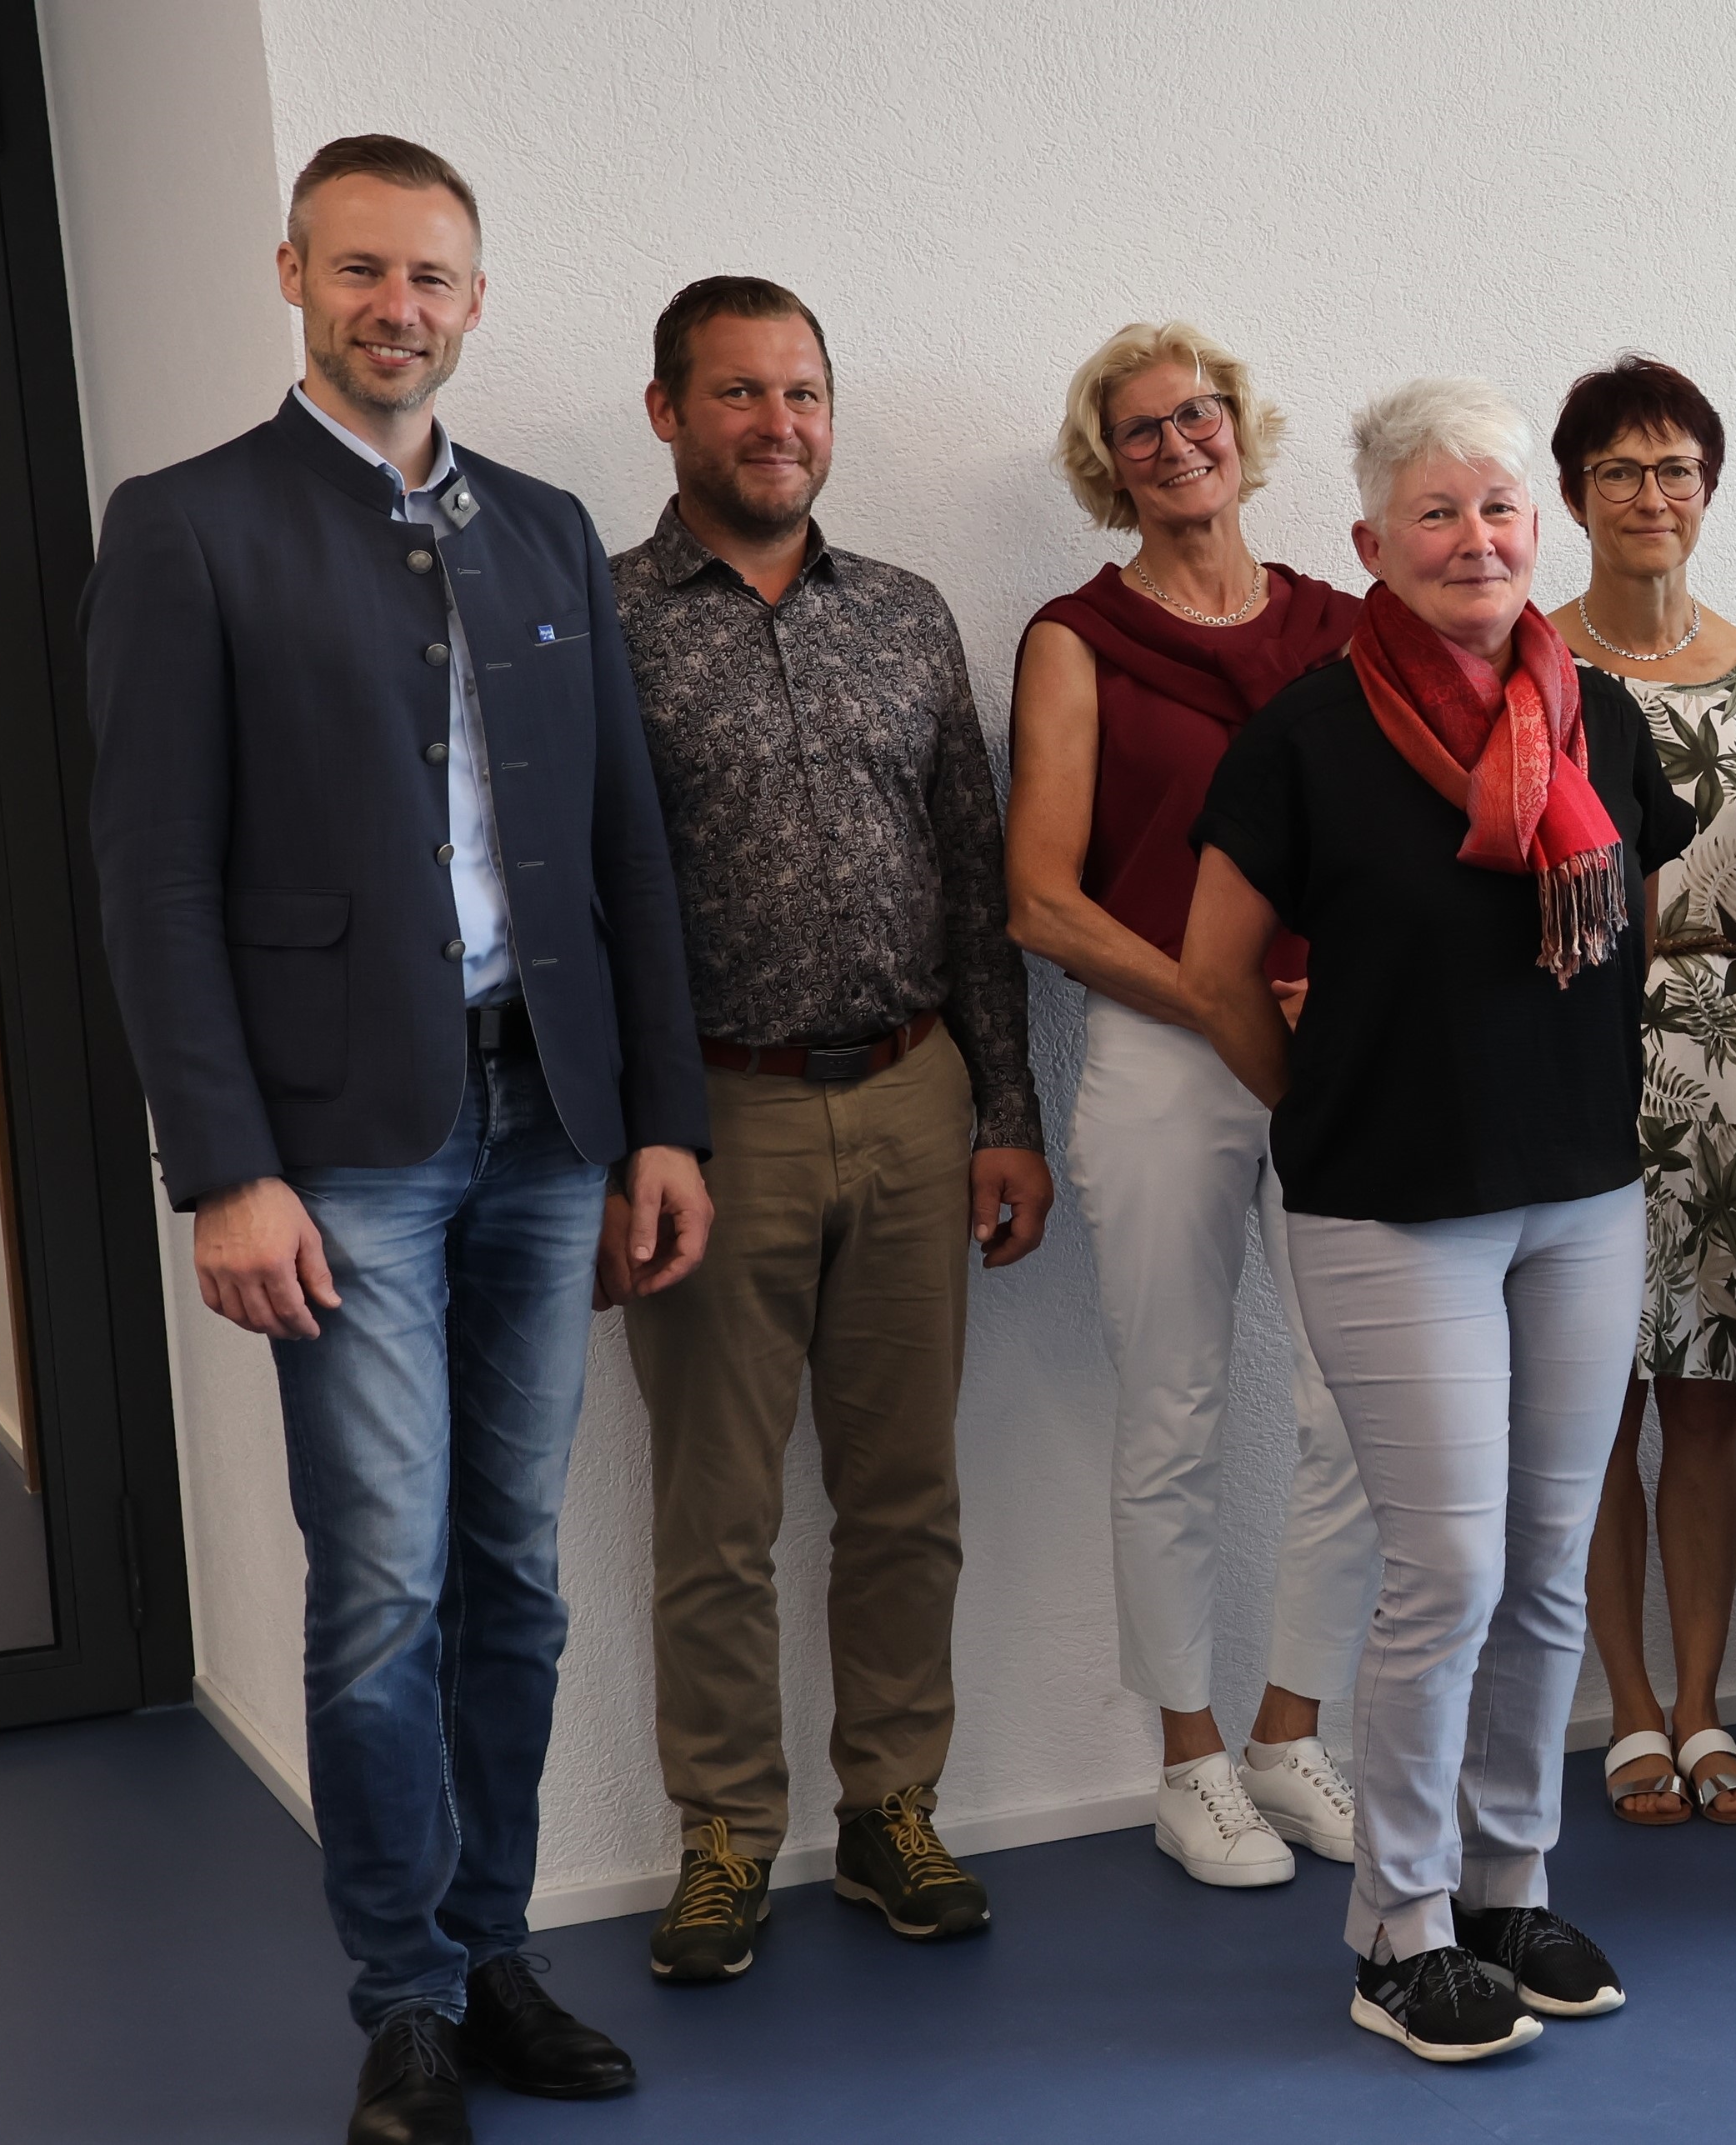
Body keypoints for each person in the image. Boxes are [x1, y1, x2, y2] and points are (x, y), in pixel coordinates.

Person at [83, 135, 710, 2145]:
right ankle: (406, 2000)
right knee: (382, 1584)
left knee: (512, 1570)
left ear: (474, 295)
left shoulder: (542, 529)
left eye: (432, 276)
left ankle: (494, 1945)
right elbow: (154, 882)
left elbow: (625, 852)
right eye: (361, 269)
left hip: (550, 1124)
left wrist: (659, 1129)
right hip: (338, 1144)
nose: (398, 306)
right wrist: (223, 1167)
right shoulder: (186, 528)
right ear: (294, 277)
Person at [1182, 377, 1693, 2060]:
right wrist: (1331, 1110)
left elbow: (1628, 940)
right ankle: (1396, 1928)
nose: (1474, 540)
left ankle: (1505, 1887)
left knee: (1551, 1560)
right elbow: (1215, 972)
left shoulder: (1601, 722)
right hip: (1390, 1212)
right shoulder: (1304, 741)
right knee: (1450, 1566)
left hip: (1582, 1200)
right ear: (1370, 545)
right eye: (1435, 514)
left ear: (1529, 533)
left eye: (1497, 512)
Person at [608, 277, 1049, 1981]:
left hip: (918, 1093)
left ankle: (891, 1811)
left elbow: (972, 877)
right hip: (712, 1123)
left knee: (906, 1491)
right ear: (669, 414)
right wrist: (614, 1138)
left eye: (802, 393)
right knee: (715, 1510)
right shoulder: (612, 619)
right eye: (737, 394)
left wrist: (1004, 1109)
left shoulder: (909, 613)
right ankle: (724, 1836)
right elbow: (580, 901)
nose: (777, 424)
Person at [1006, 322, 1373, 1889]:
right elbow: (1040, 899)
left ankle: (1291, 1734)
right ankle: (1189, 1760)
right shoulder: (1075, 640)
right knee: (1175, 1411)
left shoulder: (1351, 627)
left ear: (1242, 430)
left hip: (1341, 1044)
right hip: (1166, 1053)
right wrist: (1220, 992)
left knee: (1358, 1407)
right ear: (1111, 465)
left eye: (1199, 414)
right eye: (1141, 429)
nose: (1177, 444)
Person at [1543, 356, 1736, 1830]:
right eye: (1620, 472)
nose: (1651, 497)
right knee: (1595, 1403)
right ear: (1577, 494)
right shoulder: (1527, 667)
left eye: (1677, 471)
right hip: (1574, 1048)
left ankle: (1705, 1706)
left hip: (1728, 1058)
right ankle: (1626, 1708)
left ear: (1710, 490)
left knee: (1705, 1404)